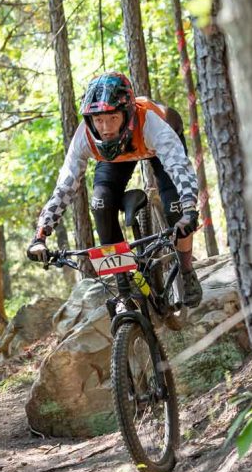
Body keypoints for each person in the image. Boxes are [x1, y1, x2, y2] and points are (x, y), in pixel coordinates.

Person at [27, 71, 203, 307]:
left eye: (112, 118)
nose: (105, 128)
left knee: (176, 210)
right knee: (100, 205)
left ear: (127, 114)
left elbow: (178, 166)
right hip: (118, 156)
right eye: (98, 120)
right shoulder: (85, 135)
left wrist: (190, 208)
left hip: (156, 148)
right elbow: (65, 186)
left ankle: (187, 270)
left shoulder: (152, 124)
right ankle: (124, 284)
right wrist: (41, 234)